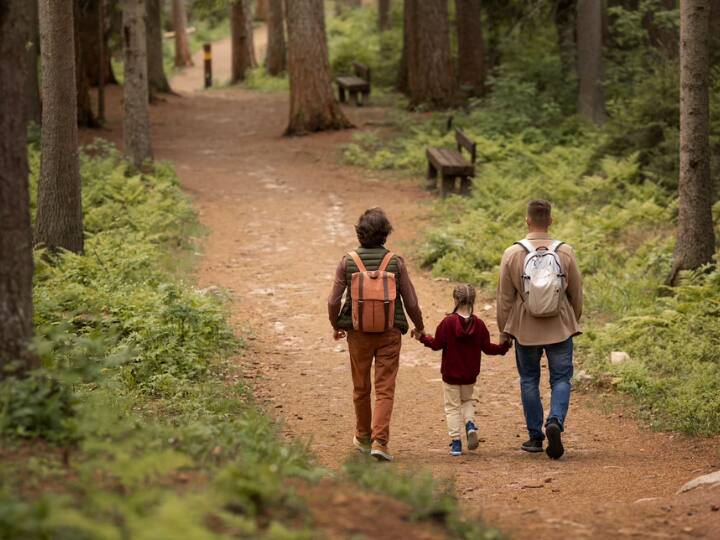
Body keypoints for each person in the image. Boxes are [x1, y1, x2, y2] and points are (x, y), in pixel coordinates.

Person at [327, 208, 424, 462]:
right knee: (385, 388)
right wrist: (420, 325)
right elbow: (411, 301)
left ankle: (363, 437)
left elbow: (333, 300)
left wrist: (336, 324)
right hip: (390, 332)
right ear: (385, 234)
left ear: (360, 234)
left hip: (357, 333)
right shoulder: (395, 262)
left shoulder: (347, 262)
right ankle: (380, 441)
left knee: (361, 387)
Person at [497, 200, 583, 459]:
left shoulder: (513, 253)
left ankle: (535, 437)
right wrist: (571, 321)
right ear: (551, 221)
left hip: (526, 328)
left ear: (527, 221)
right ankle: (555, 420)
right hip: (559, 326)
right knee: (561, 378)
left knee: (529, 379)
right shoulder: (565, 251)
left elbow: (505, 298)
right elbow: (576, 293)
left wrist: (504, 331)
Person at [413, 284, 510, 456]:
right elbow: (488, 348)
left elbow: (436, 345)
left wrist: (422, 337)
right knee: (467, 401)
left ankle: (456, 443)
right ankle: (470, 424)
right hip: (470, 374)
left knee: (451, 407)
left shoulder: (447, 322)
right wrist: (504, 346)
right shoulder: (479, 325)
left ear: (456, 300)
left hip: (450, 374)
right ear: (473, 301)